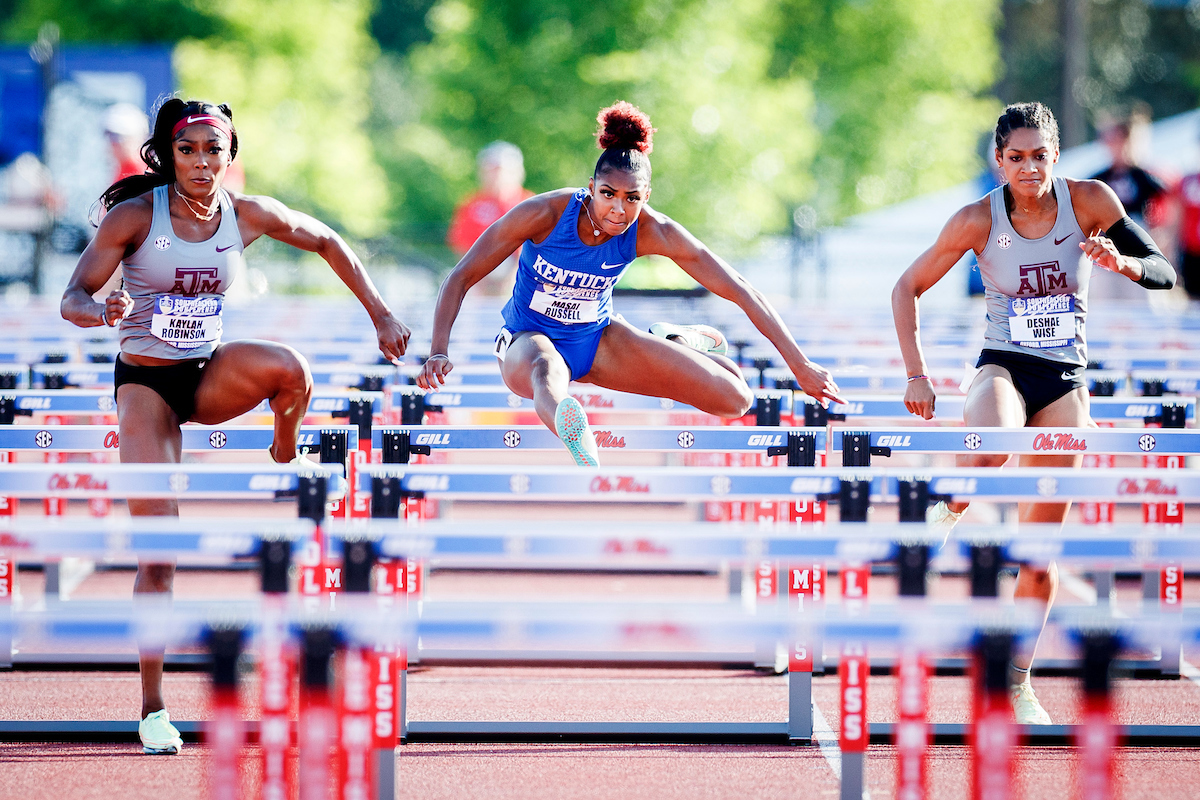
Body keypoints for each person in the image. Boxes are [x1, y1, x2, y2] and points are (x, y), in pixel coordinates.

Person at [60, 99, 410, 755]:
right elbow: (71, 298)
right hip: (146, 384)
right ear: (169, 153)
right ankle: (152, 708)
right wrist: (101, 309)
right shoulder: (136, 215)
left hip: (209, 372)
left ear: (230, 155)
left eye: (212, 151)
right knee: (157, 549)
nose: (201, 162)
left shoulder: (247, 215)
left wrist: (382, 315)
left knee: (291, 370)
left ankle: (285, 451)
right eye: (187, 150)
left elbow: (329, 241)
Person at [892, 102, 1175, 724]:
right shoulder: (975, 220)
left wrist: (1121, 262)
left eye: (1039, 157)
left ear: (1056, 156)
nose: (1028, 169)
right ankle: (946, 508)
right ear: (999, 161)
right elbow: (905, 286)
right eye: (1015, 159)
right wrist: (917, 374)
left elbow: (1161, 269)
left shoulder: (1093, 201)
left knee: (1040, 550)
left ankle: (1017, 682)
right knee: (991, 442)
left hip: (1066, 377)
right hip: (1002, 363)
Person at [417, 101, 843, 465]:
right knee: (547, 368)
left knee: (735, 398)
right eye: (608, 194)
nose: (619, 209)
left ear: (646, 195)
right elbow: (460, 277)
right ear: (590, 188)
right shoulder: (544, 214)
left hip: (598, 340)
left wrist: (800, 365)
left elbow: (740, 289)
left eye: (632, 198)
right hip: (526, 340)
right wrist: (438, 350)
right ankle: (573, 431)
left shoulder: (654, 231)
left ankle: (674, 342)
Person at [1089, 106, 1171, 301]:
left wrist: (1161, 236)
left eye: (1118, 139)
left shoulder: (1145, 178)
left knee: (1142, 299)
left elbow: (1164, 206)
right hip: (1107, 245)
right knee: (1104, 301)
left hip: (1137, 245)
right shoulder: (1099, 179)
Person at [446, 141, 534, 294]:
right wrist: (476, 279)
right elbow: (462, 245)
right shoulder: (471, 205)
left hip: (521, 278)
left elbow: (534, 246)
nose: (497, 176)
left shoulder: (531, 203)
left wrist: (514, 276)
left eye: (502, 170)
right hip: (479, 280)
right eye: (491, 170)